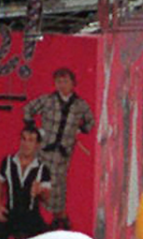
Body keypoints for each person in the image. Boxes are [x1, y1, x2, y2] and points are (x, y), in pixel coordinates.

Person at [22, 66, 95, 229]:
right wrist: (34, 129)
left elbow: (90, 122)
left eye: (65, 81)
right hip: (45, 149)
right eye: (58, 81)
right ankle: (36, 215)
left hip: (63, 152)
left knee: (59, 184)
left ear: (72, 83)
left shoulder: (80, 105)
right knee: (39, 179)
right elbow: (28, 109)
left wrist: (79, 130)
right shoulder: (48, 100)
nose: (62, 85)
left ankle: (58, 217)